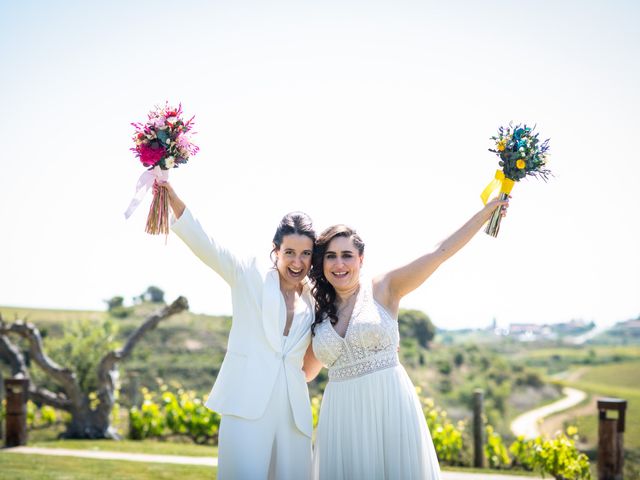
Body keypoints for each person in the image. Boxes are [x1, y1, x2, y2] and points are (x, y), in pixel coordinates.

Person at [304, 198, 509, 480]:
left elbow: (439, 252)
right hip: (341, 416)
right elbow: (303, 370)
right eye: (331, 256)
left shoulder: (384, 288)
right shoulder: (317, 310)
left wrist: (486, 213)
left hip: (389, 406)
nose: (339, 264)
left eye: (347, 255)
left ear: (360, 259)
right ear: (322, 262)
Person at [162, 182, 317, 480]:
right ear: (276, 251)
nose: (297, 262)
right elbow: (208, 246)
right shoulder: (248, 275)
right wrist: (174, 201)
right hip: (246, 400)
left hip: (293, 411)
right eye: (290, 252)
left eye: (306, 254)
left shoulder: (314, 297)